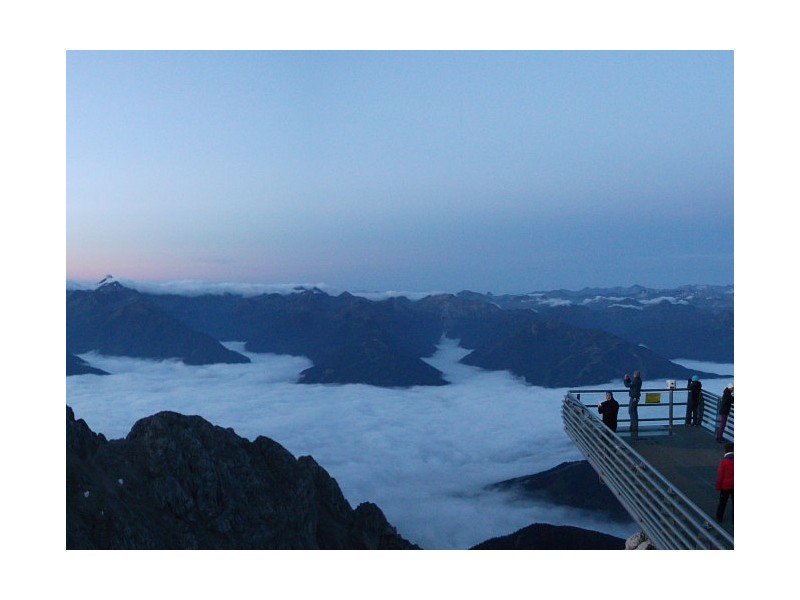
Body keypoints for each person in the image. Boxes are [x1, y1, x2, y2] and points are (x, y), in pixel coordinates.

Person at [715, 443, 734, 522]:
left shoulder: (724, 462)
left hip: (725, 486)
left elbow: (720, 475)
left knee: (722, 502)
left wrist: (718, 486)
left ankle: (719, 517)